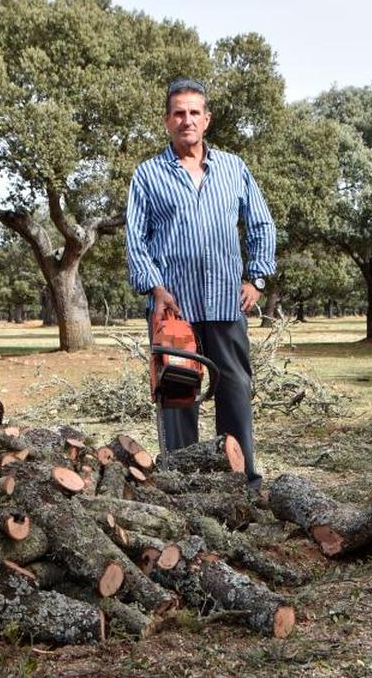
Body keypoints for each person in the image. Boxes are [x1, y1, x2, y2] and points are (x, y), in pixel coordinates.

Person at [125, 77, 276, 489]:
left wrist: (257, 277)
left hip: (228, 302)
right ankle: (181, 484)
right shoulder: (148, 175)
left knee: (235, 391)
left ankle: (243, 481)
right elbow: (135, 239)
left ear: (206, 119)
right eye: (178, 113)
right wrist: (154, 287)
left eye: (194, 112)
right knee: (178, 397)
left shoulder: (234, 168)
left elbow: (261, 223)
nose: (186, 120)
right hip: (175, 309)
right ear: (166, 121)